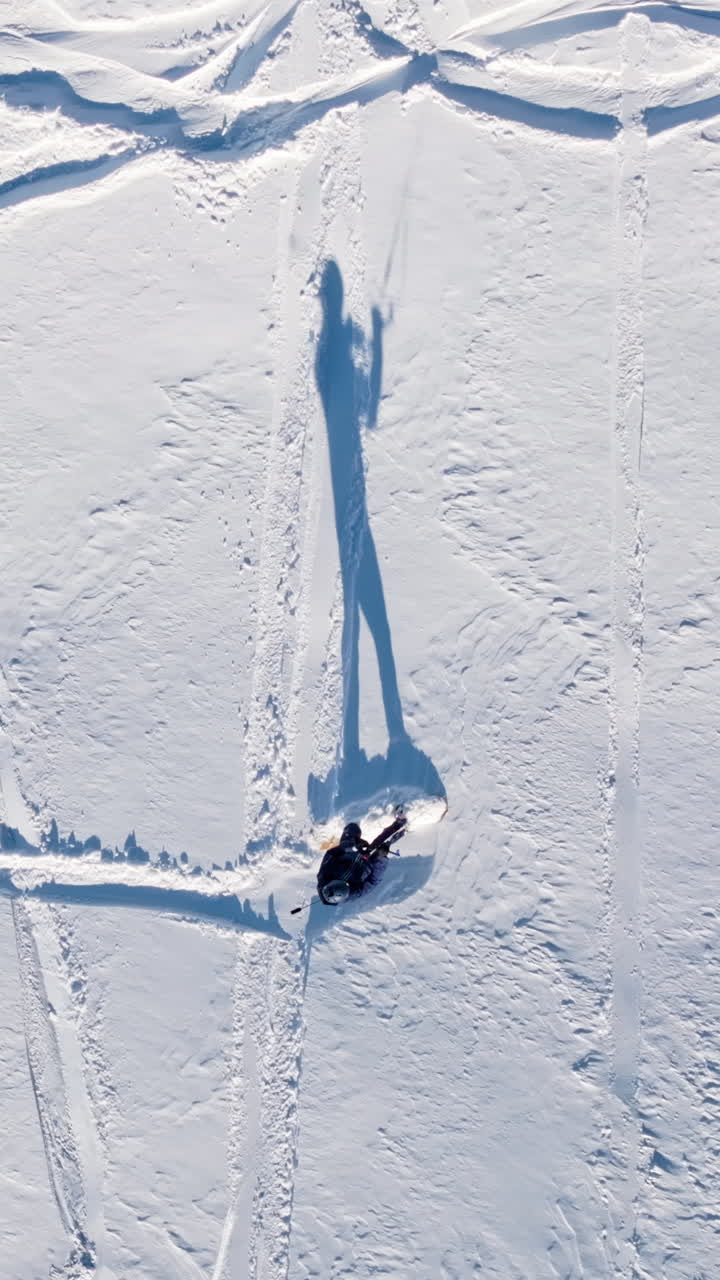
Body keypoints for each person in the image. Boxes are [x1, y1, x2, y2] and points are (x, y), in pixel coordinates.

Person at [317, 814, 407, 906]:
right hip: (366, 864)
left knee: (352, 828)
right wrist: (381, 859)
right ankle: (402, 826)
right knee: (383, 846)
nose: (345, 883)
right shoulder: (353, 894)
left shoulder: (324, 875)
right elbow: (373, 882)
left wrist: (351, 848)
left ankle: (362, 815)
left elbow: (331, 853)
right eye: (346, 886)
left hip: (350, 853)